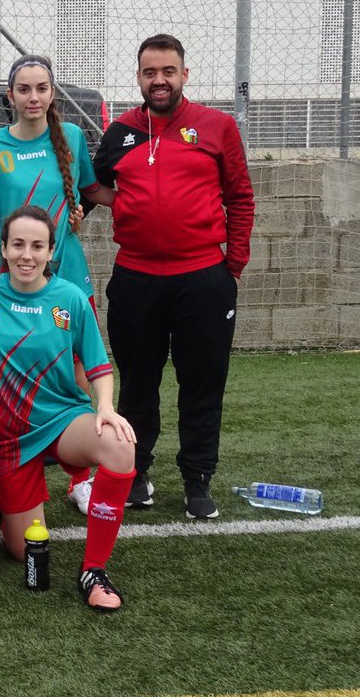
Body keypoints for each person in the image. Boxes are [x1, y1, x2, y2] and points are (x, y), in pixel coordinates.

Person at [94, 34, 255, 520]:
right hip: (135, 278)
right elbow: (89, 183)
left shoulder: (217, 126)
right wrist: (126, 204)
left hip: (203, 279)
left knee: (202, 382)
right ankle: (136, 472)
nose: (158, 81)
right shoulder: (121, 131)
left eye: (167, 71)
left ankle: (197, 479)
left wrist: (233, 267)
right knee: (137, 383)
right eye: (149, 73)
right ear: (138, 77)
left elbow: (241, 198)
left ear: (185, 74)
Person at [0, 205, 137, 611]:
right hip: (6, 438)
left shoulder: (70, 298)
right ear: (1, 248)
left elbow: (97, 365)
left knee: (120, 445)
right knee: (24, 549)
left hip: (61, 421)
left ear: (51, 250)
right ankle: (7, 493)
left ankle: (94, 570)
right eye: (17, 244)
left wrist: (105, 407)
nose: (27, 254)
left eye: (37, 246)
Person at [0, 54, 116, 515]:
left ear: (52, 93)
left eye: (42, 88)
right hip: (10, 282)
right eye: (24, 89)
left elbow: (89, 195)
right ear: (9, 95)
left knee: (75, 372)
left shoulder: (72, 137)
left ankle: (80, 480)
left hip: (67, 275)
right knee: (4, 376)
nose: (33, 97)